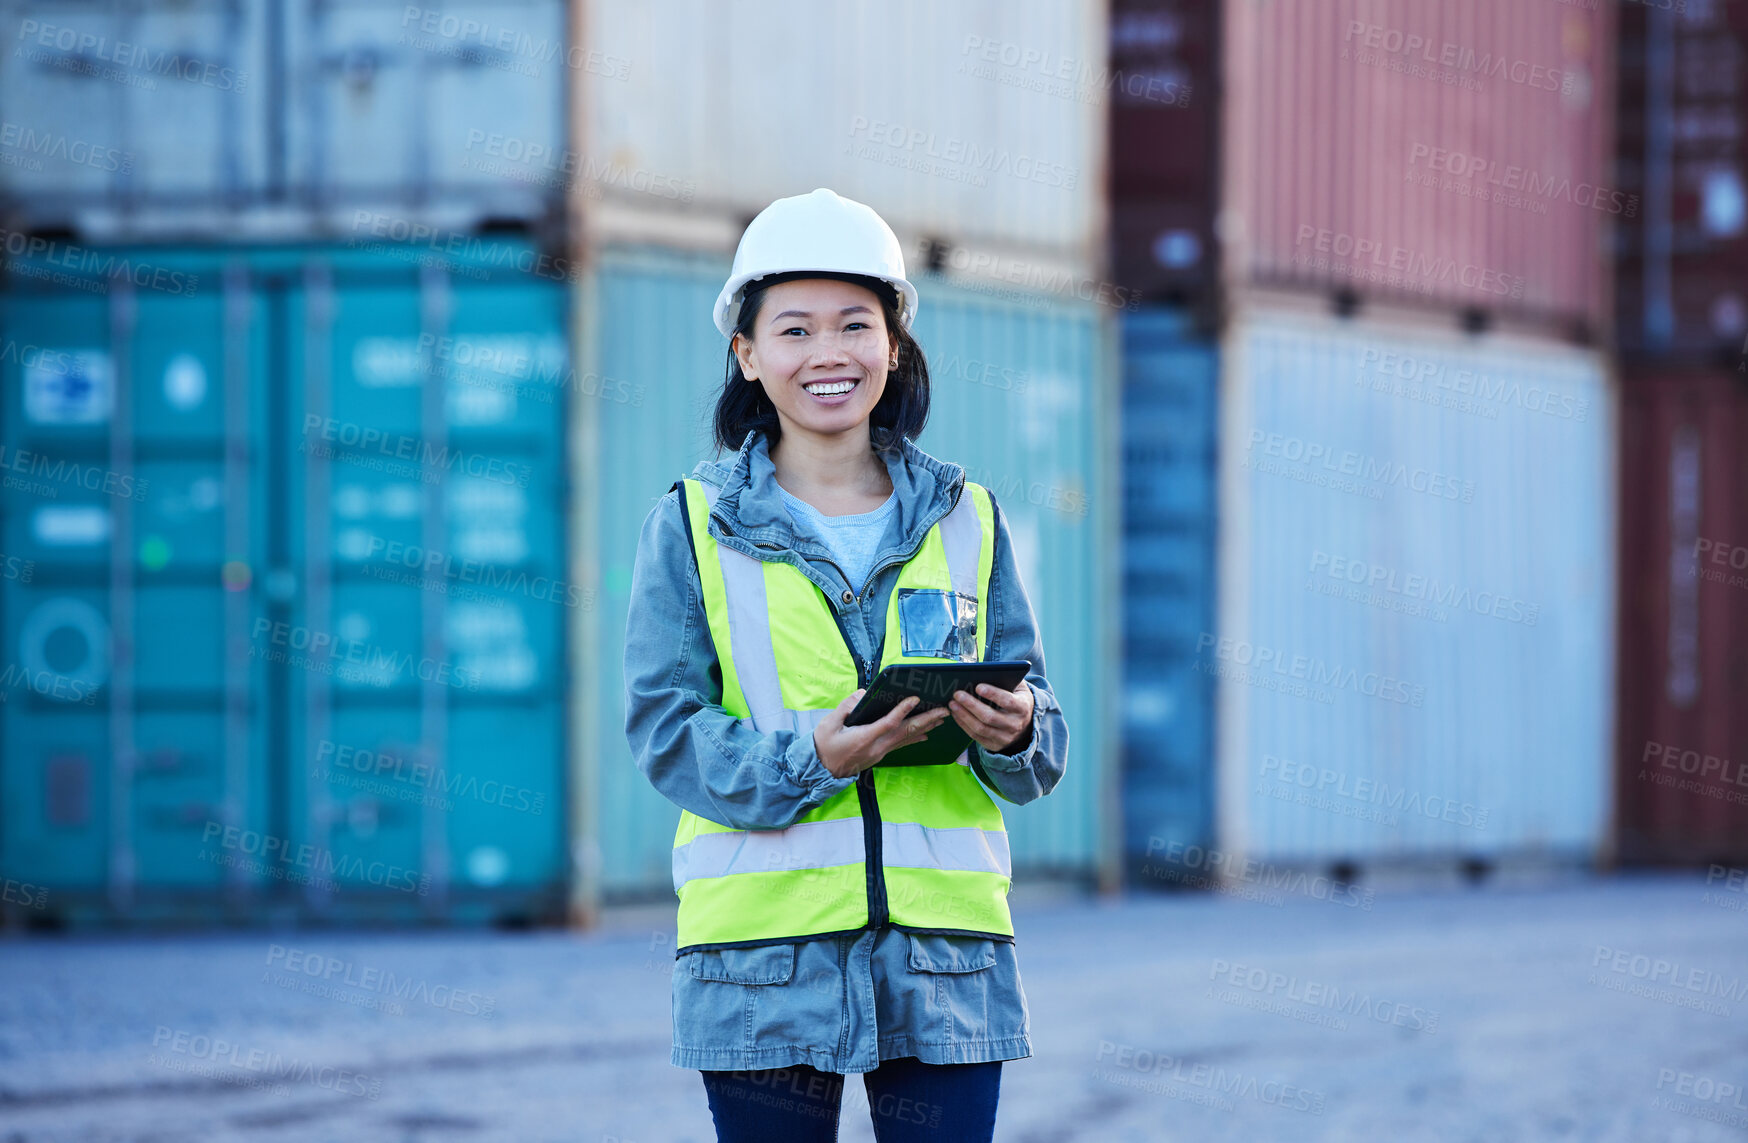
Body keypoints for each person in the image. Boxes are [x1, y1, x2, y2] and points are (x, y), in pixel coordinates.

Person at [623, 187, 1070, 1142]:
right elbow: (665, 733)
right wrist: (810, 759)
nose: (828, 354)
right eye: (794, 328)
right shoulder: (693, 525)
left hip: (944, 958)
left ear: (894, 344)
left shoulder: (968, 516)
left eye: (854, 325)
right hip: (761, 961)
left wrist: (1017, 729)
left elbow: (1040, 733)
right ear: (747, 353)